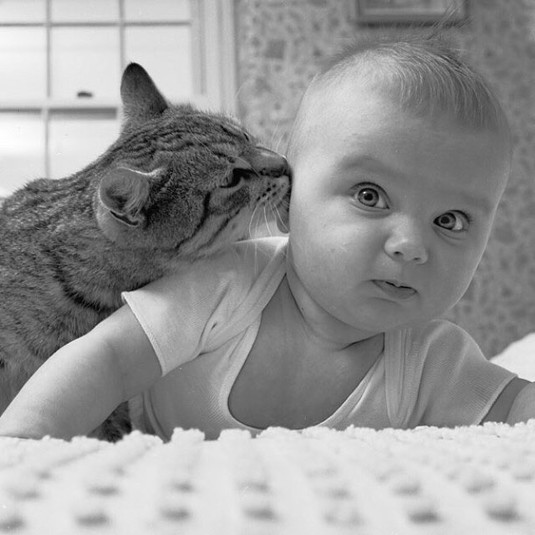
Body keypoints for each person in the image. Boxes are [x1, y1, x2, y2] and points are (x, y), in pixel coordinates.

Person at [0, 30, 533, 441]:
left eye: (451, 220)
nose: (410, 246)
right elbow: (107, 360)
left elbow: (516, 405)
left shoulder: (436, 358)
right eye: (370, 196)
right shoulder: (225, 283)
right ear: (289, 202)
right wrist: (23, 444)